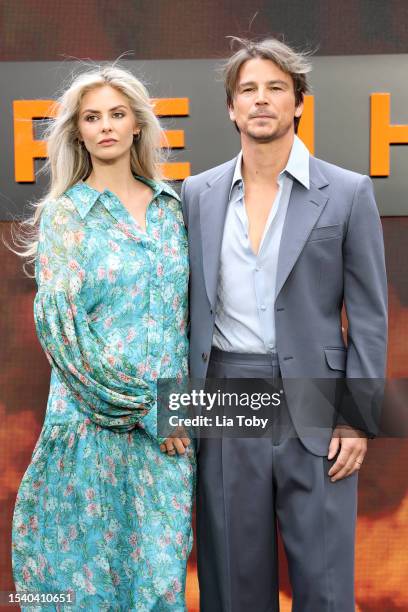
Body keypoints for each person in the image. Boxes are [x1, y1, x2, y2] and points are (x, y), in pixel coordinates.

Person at [181, 38, 387, 611]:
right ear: (231, 107)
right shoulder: (196, 194)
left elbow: (369, 316)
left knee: (323, 580)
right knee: (231, 579)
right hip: (221, 392)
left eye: (276, 88)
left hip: (318, 401)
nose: (261, 100)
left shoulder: (347, 191)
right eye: (248, 89)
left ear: (299, 102)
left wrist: (359, 418)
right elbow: (183, 311)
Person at [12, 65, 195, 610]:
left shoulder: (175, 210)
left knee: (159, 587)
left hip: (169, 438)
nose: (106, 126)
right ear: (79, 131)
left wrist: (173, 412)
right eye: (93, 117)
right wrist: (145, 408)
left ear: (138, 124)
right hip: (91, 429)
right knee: (86, 590)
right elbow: (62, 331)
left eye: (117, 114)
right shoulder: (66, 216)